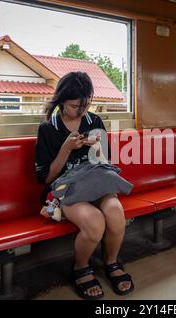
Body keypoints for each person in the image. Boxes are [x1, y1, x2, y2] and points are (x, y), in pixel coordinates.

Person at [35, 72, 134, 299]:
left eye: (85, 105)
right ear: (61, 101)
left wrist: (97, 149)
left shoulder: (94, 121)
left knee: (116, 213)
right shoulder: (48, 129)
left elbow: (103, 165)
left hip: (96, 183)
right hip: (66, 189)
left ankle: (111, 262)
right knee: (95, 221)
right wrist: (65, 149)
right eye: (74, 106)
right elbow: (45, 179)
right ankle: (80, 267)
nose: (80, 111)